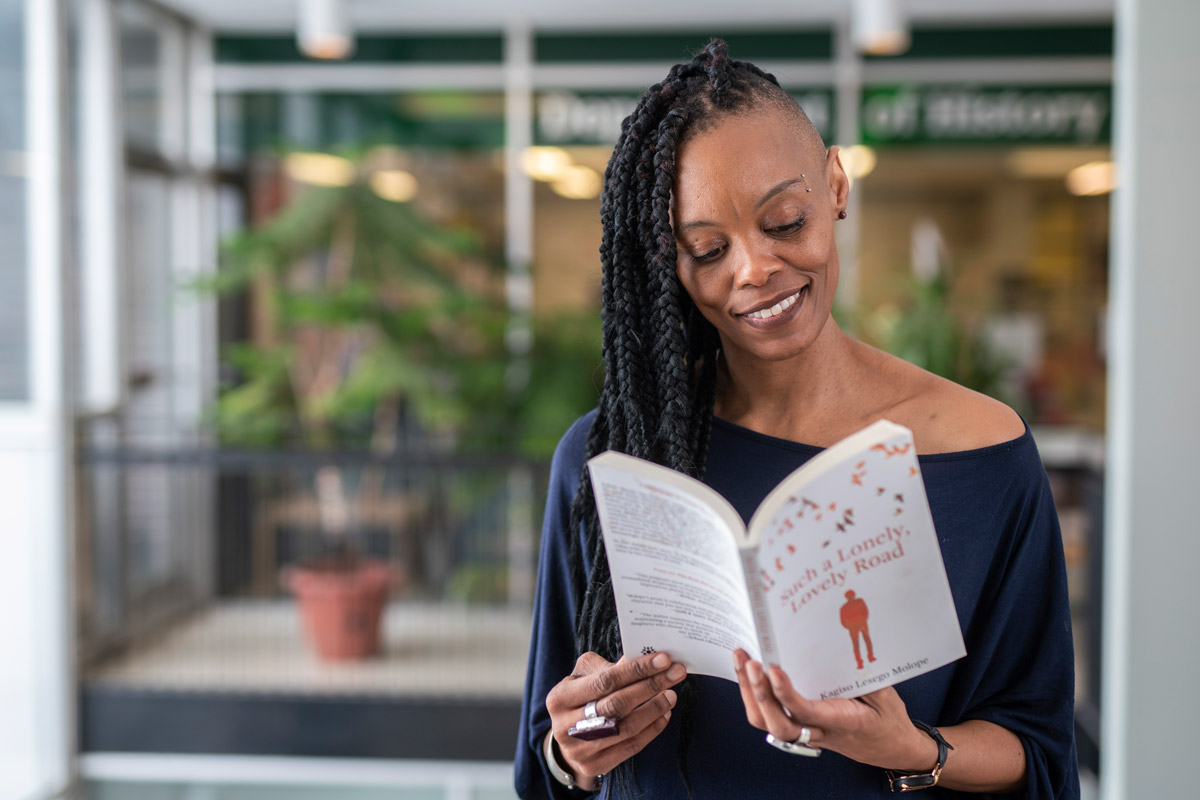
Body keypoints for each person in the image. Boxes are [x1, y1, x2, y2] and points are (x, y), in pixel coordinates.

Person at [515, 39, 1078, 799]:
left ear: (836, 184)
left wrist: (914, 748)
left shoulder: (981, 453)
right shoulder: (612, 456)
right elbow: (542, 766)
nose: (754, 269)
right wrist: (573, 751)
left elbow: (1038, 753)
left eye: (783, 222)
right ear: (669, 263)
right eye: (708, 249)